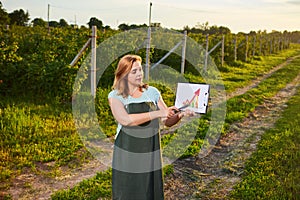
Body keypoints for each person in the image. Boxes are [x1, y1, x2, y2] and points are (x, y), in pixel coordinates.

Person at [108, 54, 191, 200]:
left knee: (149, 190)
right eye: (134, 71)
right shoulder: (115, 95)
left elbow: (166, 120)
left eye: (140, 70)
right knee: (128, 189)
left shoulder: (152, 92)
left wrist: (180, 114)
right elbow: (125, 120)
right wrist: (158, 113)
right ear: (123, 75)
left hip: (150, 148)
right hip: (127, 149)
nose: (139, 74)